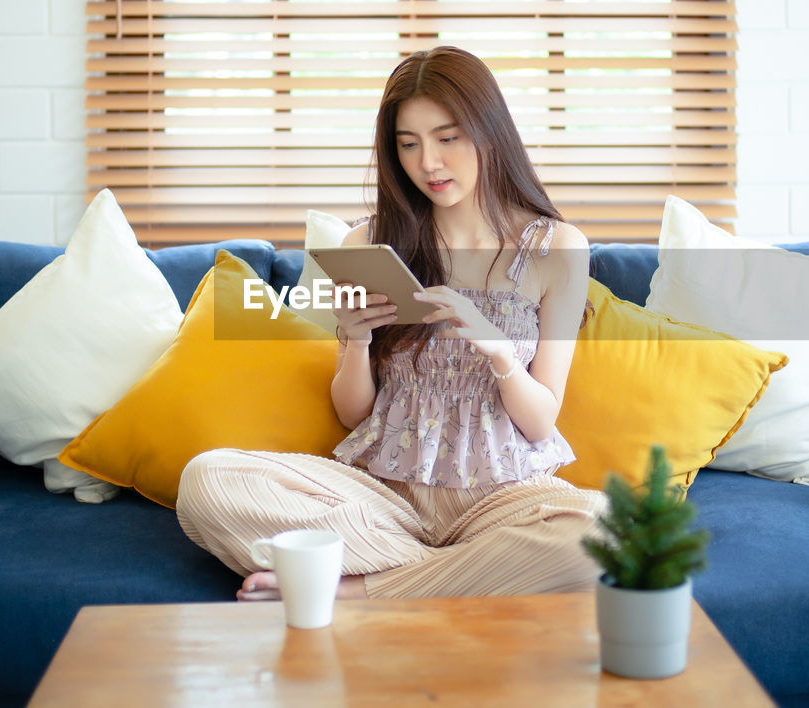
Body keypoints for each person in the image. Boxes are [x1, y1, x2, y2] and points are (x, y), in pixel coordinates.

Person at [176, 46, 603, 600]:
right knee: (207, 480)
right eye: (409, 144)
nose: (428, 162)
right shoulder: (368, 243)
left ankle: (364, 588)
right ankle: (461, 577)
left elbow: (542, 421)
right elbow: (353, 412)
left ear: (490, 131)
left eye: (448, 137)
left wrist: (498, 350)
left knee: (602, 533)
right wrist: (354, 340)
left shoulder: (557, 248)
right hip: (382, 499)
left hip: (501, 499)